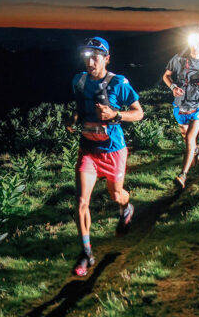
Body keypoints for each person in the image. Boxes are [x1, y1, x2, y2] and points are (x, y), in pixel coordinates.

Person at [68, 37, 144, 277]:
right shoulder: (78, 81)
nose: (90, 62)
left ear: (106, 58)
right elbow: (79, 109)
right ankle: (87, 253)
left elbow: (139, 113)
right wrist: (73, 120)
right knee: (81, 202)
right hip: (88, 151)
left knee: (116, 195)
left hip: (113, 151)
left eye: (96, 57)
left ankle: (126, 208)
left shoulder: (119, 83)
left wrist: (116, 114)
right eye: (87, 57)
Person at [163, 29, 199, 188]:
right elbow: (166, 76)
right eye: (193, 41)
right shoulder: (179, 58)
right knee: (186, 137)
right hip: (179, 107)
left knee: (189, 139)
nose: (196, 44)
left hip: (198, 107)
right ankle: (196, 150)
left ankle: (183, 175)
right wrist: (173, 87)